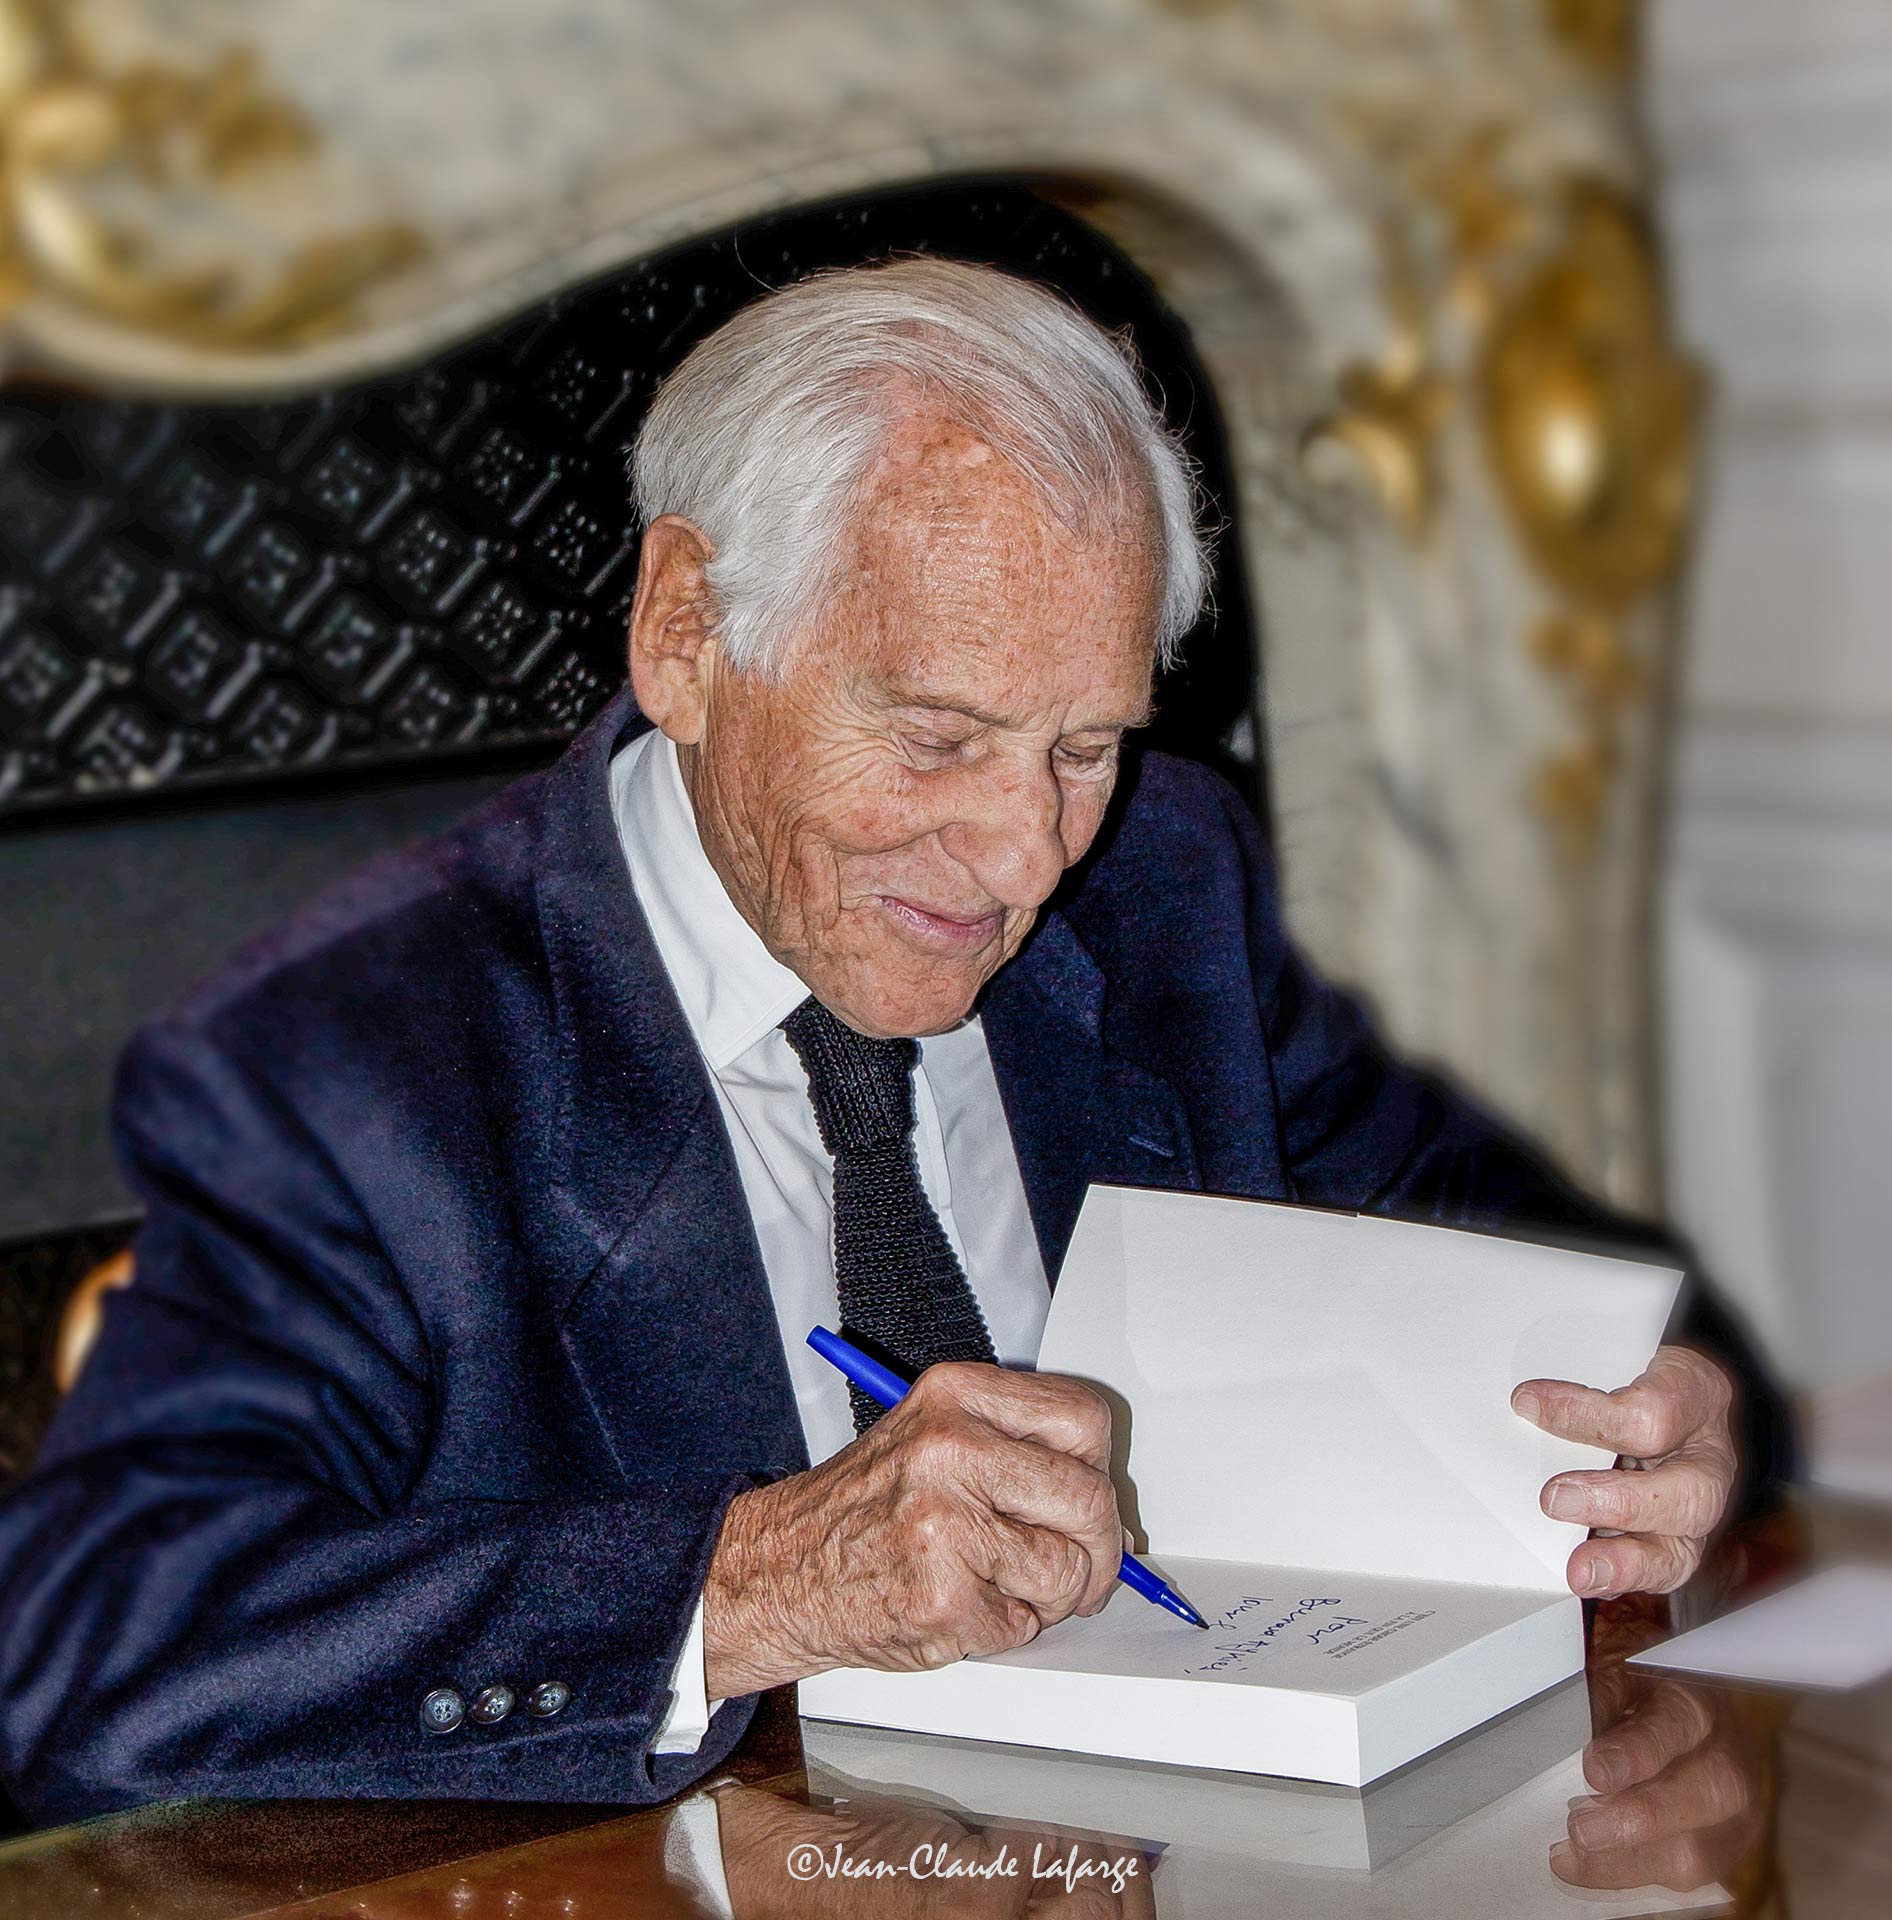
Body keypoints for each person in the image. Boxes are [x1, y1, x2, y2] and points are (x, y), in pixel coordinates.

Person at [0, 260, 1790, 1824]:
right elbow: (96, 1647)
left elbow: (1485, 1245)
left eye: (1083, 747)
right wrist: (753, 1583)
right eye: (937, 736)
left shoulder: (1160, 882)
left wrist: (1663, 1408)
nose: (1022, 858)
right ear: (687, 633)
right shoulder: (349, 1064)